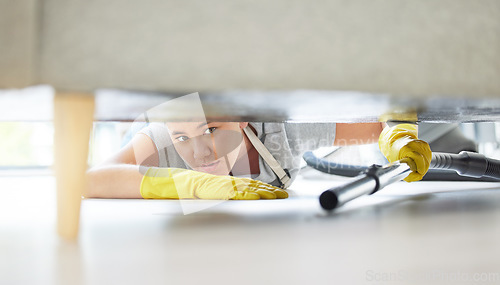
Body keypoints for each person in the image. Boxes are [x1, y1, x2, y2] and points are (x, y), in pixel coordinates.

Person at [85, 119, 431, 200]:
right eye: (184, 139)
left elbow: (370, 126)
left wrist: (397, 138)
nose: (199, 152)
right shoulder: (165, 134)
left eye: (212, 128)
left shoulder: (280, 133)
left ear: (242, 120)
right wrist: (190, 183)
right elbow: (86, 180)